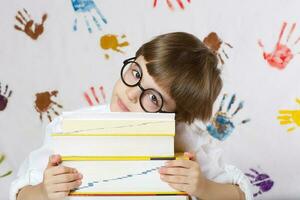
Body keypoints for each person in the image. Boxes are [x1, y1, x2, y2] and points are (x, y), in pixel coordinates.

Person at [10, 32, 253, 200]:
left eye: (154, 98)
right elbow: (20, 194)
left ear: (176, 117)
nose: (131, 93)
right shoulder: (69, 128)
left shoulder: (188, 142)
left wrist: (203, 187)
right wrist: (43, 191)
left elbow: (240, 194)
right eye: (136, 73)